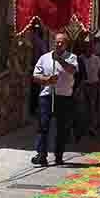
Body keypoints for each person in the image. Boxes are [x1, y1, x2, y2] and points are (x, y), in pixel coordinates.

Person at [32, 32, 78, 167]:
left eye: (61, 42)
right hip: (46, 95)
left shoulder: (72, 57)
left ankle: (59, 155)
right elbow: (35, 76)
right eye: (56, 42)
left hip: (64, 97)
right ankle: (41, 154)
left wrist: (60, 60)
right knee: (43, 125)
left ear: (66, 44)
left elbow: (72, 70)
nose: (58, 44)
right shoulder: (44, 58)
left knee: (61, 128)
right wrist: (46, 80)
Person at [80, 36, 100, 136]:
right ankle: (84, 126)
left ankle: (92, 127)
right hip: (83, 85)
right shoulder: (80, 58)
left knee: (93, 106)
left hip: (94, 85)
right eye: (86, 47)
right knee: (84, 107)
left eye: (89, 47)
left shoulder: (96, 59)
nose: (87, 50)